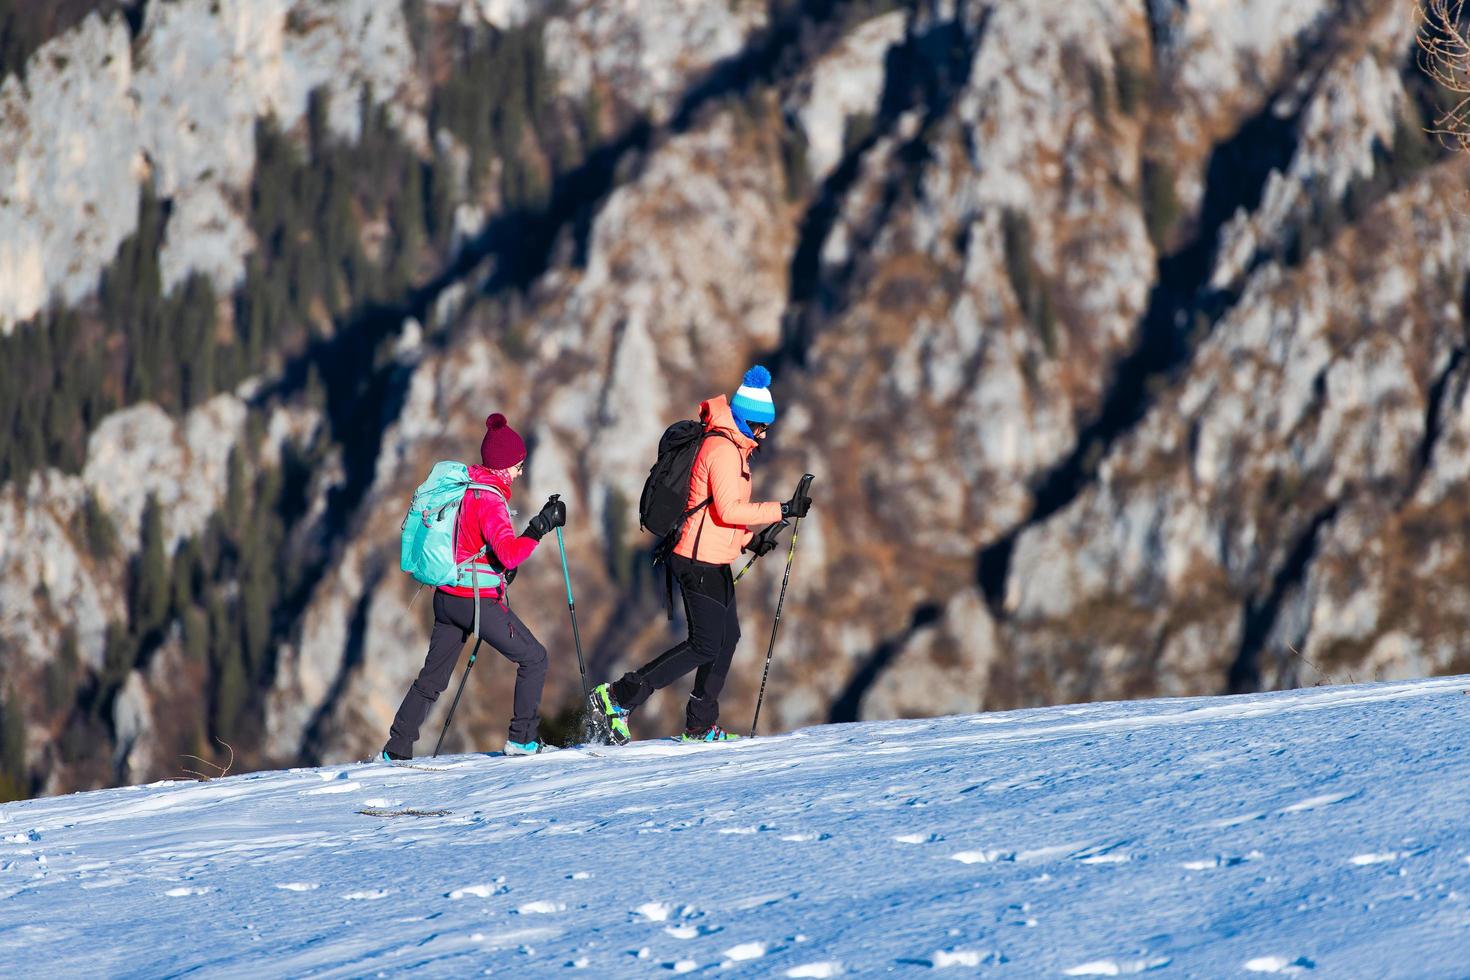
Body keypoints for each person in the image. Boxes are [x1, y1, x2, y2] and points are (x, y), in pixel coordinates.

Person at [590, 366, 813, 743]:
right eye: (762, 426)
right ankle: (618, 697)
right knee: (705, 642)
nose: (765, 434)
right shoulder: (724, 451)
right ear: (747, 421)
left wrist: (749, 542)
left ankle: (700, 724)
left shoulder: (734, 448)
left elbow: (712, 510)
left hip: (714, 555)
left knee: (727, 637)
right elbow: (728, 510)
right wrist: (783, 510)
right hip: (697, 561)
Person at [382, 413, 566, 759]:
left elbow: (472, 546)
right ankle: (522, 738)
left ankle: (397, 747)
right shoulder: (491, 501)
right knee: (535, 659)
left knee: (433, 679)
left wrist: (494, 568)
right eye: (518, 465)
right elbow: (510, 555)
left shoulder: (467, 489)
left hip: (447, 597)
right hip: (475, 602)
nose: (520, 471)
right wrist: (540, 527)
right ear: (504, 465)